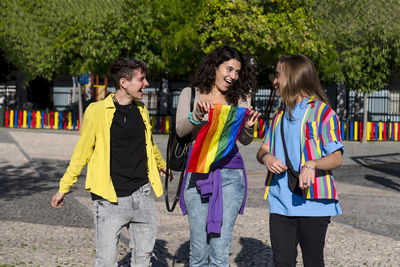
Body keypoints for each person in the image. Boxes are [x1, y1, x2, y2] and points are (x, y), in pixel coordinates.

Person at [51, 58, 167, 267]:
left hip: (142, 195)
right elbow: (82, 151)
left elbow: (149, 143)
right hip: (109, 199)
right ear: (123, 82)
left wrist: (161, 164)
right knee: (106, 262)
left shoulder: (141, 109)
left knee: (143, 261)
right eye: (141, 79)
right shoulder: (96, 111)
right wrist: (64, 187)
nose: (146, 83)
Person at [176, 45, 260, 267]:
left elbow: (244, 139)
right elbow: (180, 130)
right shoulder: (190, 94)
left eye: (237, 72)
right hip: (197, 173)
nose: (233, 76)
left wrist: (249, 126)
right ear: (215, 67)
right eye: (229, 69)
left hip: (231, 174)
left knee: (220, 250)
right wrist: (196, 115)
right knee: (198, 251)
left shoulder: (239, 98)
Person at [257, 54, 343, 267]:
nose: (274, 81)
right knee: (282, 262)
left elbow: (337, 157)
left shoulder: (323, 113)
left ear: (294, 77)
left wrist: (312, 164)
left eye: (278, 75)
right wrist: (266, 157)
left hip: (314, 204)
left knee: (313, 262)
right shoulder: (279, 115)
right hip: (280, 203)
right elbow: (262, 149)